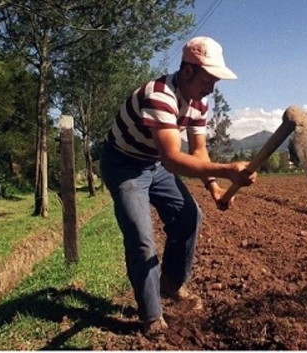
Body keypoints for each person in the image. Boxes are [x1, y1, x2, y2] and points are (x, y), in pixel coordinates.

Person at [100, 36, 256, 336]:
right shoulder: (159, 96)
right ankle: (152, 317)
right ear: (187, 72)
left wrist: (214, 188)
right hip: (124, 165)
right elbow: (172, 159)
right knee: (141, 238)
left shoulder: (200, 102)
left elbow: (198, 152)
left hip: (154, 163)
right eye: (209, 79)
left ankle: (170, 283)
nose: (212, 88)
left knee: (189, 216)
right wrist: (227, 170)